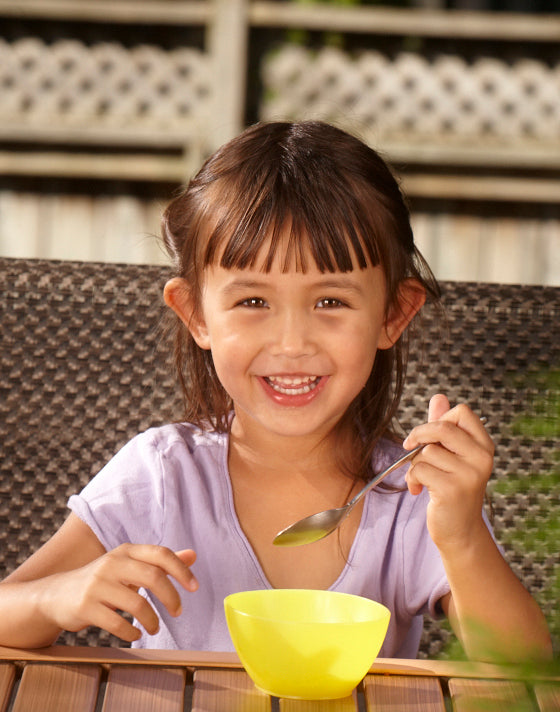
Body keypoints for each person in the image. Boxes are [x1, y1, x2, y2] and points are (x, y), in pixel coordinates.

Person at [0, 121, 551, 662]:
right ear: (196, 314)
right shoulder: (163, 475)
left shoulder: (413, 499)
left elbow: (522, 679)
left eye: (330, 301)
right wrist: (56, 597)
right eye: (253, 302)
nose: (291, 343)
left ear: (393, 314)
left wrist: (460, 536)